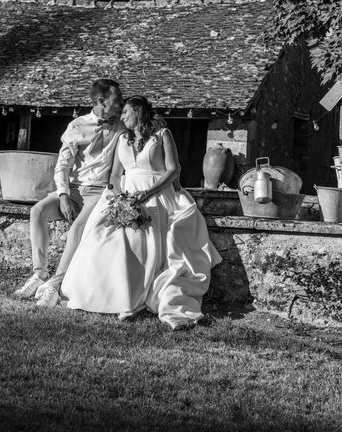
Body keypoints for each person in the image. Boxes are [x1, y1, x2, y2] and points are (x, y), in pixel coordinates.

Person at [60, 95, 222, 330]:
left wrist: (147, 193)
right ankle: (105, 294)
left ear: (138, 111)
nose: (122, 116)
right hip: (125, 195)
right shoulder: (121, 139)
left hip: (158, 194)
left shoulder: (162, 135)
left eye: (125, 112)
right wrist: (117, 199)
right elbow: (115, 176)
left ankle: (137, 296)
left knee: (140, 242)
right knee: (101, 236)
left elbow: (174, 169)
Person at [14, 79, 125, 306]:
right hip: (72, 189)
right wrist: (63, 196)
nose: (121, 104)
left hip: (99, 192)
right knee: (37, 211)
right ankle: (40, 273)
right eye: (117, 100)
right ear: (101, 101)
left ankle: (55, 286)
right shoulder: (77, 126)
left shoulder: (122, 128)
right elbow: (62, 166)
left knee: (76, 231)